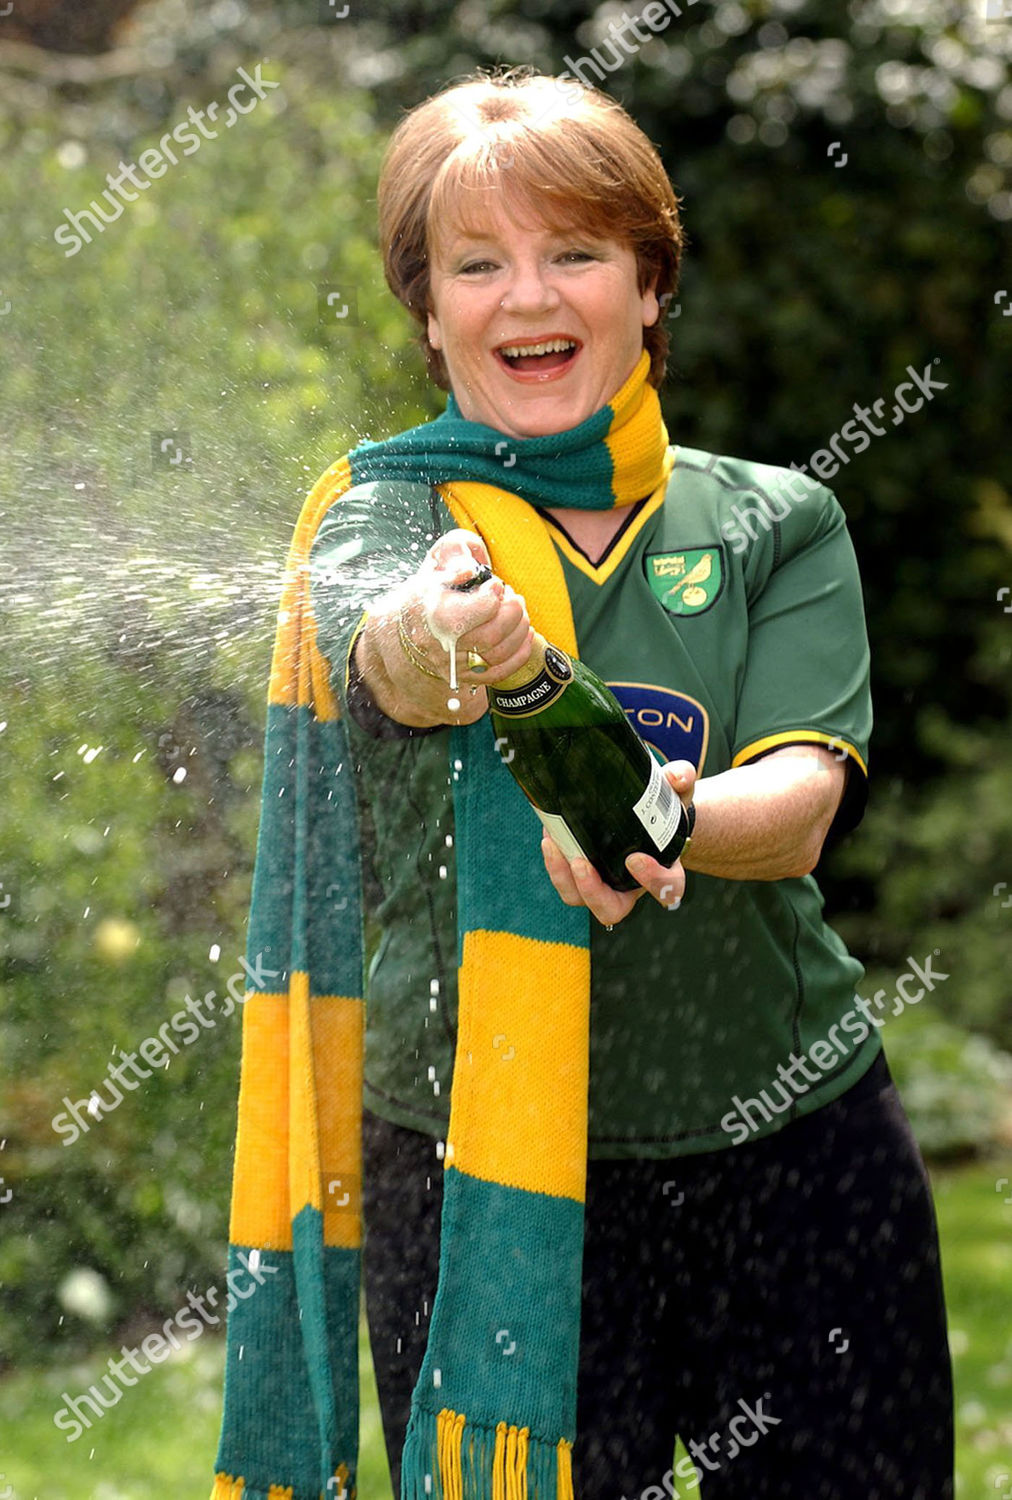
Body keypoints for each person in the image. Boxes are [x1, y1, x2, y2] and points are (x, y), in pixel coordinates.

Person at [213, 67, 954, 1500]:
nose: (528, 297)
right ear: (429, 314)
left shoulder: (777, 522)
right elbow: (393, 661)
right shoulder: (385, 517)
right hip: (472, 1166)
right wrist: (456, 634)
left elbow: (800, 806)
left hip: (788, 1147)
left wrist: (650, 817)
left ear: (651, 284)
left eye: (575, 252)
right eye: (476, 265)